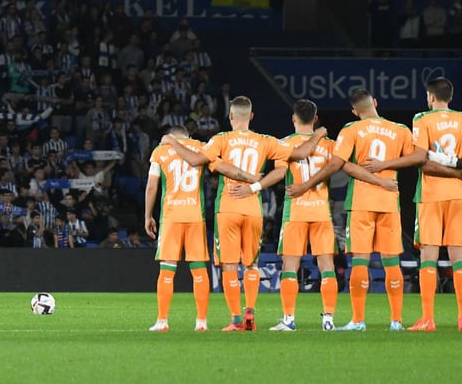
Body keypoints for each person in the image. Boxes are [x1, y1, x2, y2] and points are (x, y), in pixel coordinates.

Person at [162, 96, 323, 331]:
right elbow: (296, 157)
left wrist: (171, 142)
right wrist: (318, 134)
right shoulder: (265, 140)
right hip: (253, 208)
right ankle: (250, 313)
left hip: (227, 208)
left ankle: (236, 319)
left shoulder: (221, 139)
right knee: (251, 265)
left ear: (230, 116)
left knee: (229, 266)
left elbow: (195, 159)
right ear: (251, 116)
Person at [314, 88, 426, 331]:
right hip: (389, 202)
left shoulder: (351, 129)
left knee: (360, 261)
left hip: (361, 203)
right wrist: (387, 167)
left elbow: (341, 164)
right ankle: (396, 321)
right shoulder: (399, 129)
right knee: (392, 262)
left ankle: (358, 320)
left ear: (354, 111)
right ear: (375, 102)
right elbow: (418, 157)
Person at [268, 101, 355, 331]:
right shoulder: (330, 145)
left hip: (295, 211)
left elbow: (280, 172)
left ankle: (288, 320)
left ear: (293, 118)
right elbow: (346, 166)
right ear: (315, 119)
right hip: (321, 211)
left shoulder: (284, 144)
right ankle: (328, 320)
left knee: (290, 265)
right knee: (327, 265)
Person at [144, 126, 212, 332]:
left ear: (171, 136)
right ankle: (201, 322)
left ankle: (162, 321)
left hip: (171, 216)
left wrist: (148, 216)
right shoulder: (201, 146)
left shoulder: (160, 150)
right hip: (195, 215)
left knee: (167, 268)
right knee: (199, 269)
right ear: (187, 136)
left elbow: (152, 187)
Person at [407, 78, 462, 331]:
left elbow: (422, 161)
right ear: (450, 97)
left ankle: (428, 319)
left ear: (430, 97)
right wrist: (456, 173)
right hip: (458, 195)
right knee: (458, 257)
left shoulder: (422, 118)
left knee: (428, 255)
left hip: (430, 195)